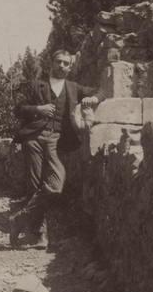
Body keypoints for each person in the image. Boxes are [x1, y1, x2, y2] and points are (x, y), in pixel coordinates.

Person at [9, 49, 105, 249]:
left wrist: (94, 99)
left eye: (65, 63)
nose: (61, 66)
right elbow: (18, 109)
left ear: (70, 68)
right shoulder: (36, 85)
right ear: (50, 64)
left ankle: (19, 219)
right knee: (34, 185)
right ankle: (39, 235)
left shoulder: (73, 88)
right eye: (58, 62)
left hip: (56, 141)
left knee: (56, 184)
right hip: (34, 138)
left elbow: (100, 91)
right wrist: (38, 109)